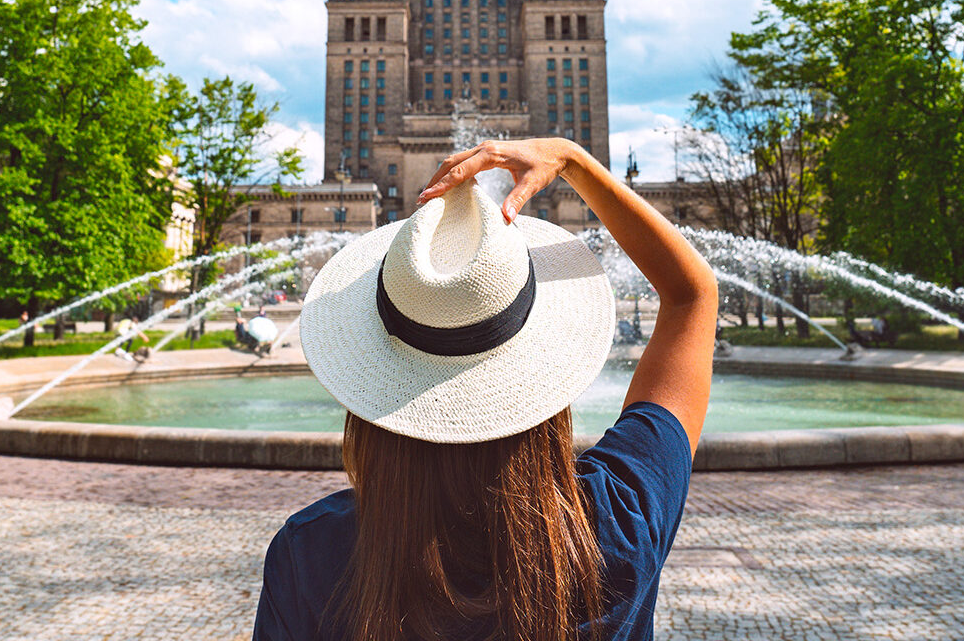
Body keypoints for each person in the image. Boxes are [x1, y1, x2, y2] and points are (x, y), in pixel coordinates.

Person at [254, 138, 717, 641]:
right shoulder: (617, 520)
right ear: (541, 370)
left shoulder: (311, 552)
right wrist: (572, 161)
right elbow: (692, 295)